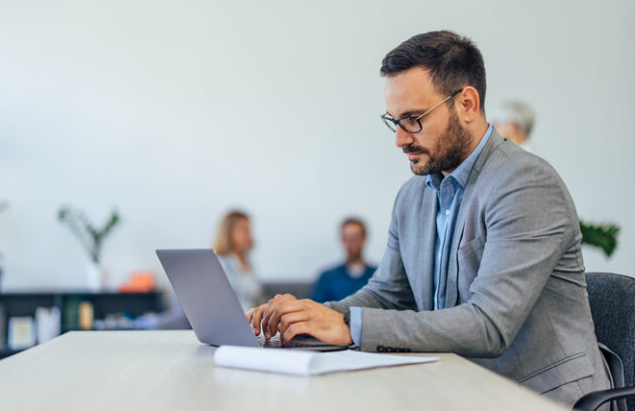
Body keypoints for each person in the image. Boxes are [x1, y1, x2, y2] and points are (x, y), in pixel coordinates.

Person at [247, 31, 612, 407]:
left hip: (541, 398)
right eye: (395, 121)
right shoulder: (412, 196)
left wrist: (345, 326)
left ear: (467, 104)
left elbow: (488, 325)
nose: (400, 140)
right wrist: (309, 317)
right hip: (459, 389)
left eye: (413, 119)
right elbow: (387, 295)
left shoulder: (526, 185)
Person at [311, 218, 377, 303]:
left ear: (364, 239)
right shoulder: (327, 277)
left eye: (355, 237)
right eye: (347, 238)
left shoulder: (379, 276)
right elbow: (315, 308)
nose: (351, 242)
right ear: (342, 240)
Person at [213, 210, 264, 311]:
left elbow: (257, 297)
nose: (248, 234)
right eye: (243, 229)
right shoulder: (220, 265)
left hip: (253, 320)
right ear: (229, 233)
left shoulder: (249, 263)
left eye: (248, 229)